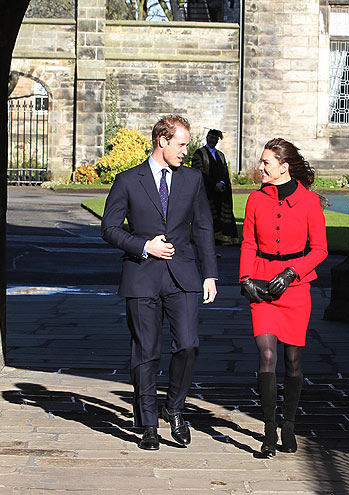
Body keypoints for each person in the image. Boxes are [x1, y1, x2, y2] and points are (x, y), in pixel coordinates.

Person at [101, 115, 218, 451]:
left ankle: (176, 408)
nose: (186, 151)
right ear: (162, 141)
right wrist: (143, 246)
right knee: (146, 351)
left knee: (188, 345)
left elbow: (205, 228)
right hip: (142, 275)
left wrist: (209, 273)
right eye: (181, 144)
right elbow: (109, 228)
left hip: (183, 276)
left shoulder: (193, 180)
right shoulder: (127, 180)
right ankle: (148, 423)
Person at [239, 138, 328, 457]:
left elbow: (320, 250)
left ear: (283, 167)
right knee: (266, 355)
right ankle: (268, 429)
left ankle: (288, 424)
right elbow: (248, 242)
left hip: (295, 287)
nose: (260, 167)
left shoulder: (308, 202)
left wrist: (292, 273)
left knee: (293, 361)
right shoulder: (254, 200)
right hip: (262, 284)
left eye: (266, 162)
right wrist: (245, 278)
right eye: (261, 161)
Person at [191, 129, 239, 246]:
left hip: (221, 191)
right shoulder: (199, 153)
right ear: (207, 138)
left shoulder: (220, 155)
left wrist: (222, 183)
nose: (213, 141)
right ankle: (209, 238)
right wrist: (214, 184)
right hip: (207, 191)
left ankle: (223, 237)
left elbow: (225, 172)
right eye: (211, 138)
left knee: (222, 214)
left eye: (216, 139)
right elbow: (199, 172)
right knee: (208, 215)